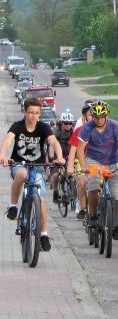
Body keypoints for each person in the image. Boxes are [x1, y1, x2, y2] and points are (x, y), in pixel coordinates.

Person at [0, 98, 65, 251]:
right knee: (21, 174)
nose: (33, 116)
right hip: (19, 164)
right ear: (25, 112)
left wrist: (60, 157)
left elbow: (54, 142)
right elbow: (8, 140)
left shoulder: (43, 127)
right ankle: (13, 206)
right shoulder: (18, 126)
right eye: (31, 112)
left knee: (41, 199)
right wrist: (2, 155)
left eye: (37, 113)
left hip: (38, 166)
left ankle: (43, 234)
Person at [76, 101, 118, 241]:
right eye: (96, 117)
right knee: (93, 185)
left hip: (112, 161)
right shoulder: (87, 128)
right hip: (93, 160)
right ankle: (93, 215)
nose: (99, 120)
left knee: (115, 195)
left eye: (102, 117)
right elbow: (80, 149)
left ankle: (115, 225)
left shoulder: (114, 126)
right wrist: (84, 166)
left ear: (106, 116)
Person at [49, 111, 75, 203]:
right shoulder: (56, 131)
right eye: (66, 123)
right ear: (62, 123)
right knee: (56, 174)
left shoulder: (73, 131)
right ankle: (55, 191)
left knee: (73, 172)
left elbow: (76, 145)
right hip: (56, 156)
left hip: (68, 155)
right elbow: (52, 145)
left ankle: (70, 189)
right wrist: (52, 158)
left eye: (70, 123)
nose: (68, 125)